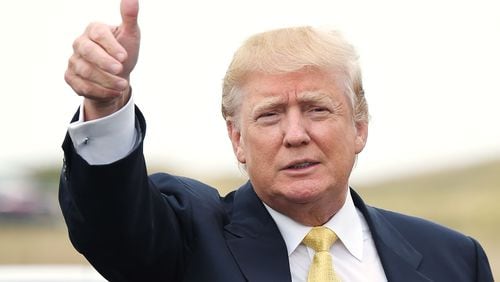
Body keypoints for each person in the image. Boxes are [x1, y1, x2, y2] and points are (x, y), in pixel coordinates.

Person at [59, 0, 494, 281]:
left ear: (360, 125)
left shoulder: (454, 261)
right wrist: (105, 104)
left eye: (316, 108)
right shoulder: (188, 242)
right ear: (238, 140)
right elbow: (114, 224)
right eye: (269, 116)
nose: (295, 135)